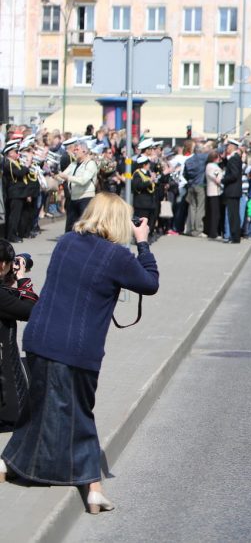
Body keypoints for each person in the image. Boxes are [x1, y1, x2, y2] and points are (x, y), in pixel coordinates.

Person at [0, 193, 158, 512]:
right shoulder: (118, 256)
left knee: (39, 405)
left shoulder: (67, 242)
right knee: (79, 413)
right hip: (77, 347)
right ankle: (93, 486)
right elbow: (150, 283)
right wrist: (142, 243)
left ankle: (7, 465)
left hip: (40, 337)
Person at [0, 242, 39, 433]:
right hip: (5, 387)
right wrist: (22, 279)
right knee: (20, 417)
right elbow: (33, 311)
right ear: (2, 265)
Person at [57, 139, 98, 233]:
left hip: (85, 198)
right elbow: (62, 176)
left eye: (77, 150)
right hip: (74, 197)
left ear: (84, 151)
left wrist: (67, 177)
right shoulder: (74, 164)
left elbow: (83, 180)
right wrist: (55, 175)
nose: (74, 152)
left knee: (84, 227)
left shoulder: (90, 164)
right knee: (70, 227)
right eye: (74, 150)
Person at [220, 139, 243, 244]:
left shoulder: (234, 159)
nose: (227, 148)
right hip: (234, 191)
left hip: (232, 190)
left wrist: (223, 180)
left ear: (233, 147)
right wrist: (224, 158)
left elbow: (233, 175)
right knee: (233, 214)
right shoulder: (234, 158)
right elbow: (228, 166)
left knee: (233, 215)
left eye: (228, 146)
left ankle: (234, 237)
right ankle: (234, 236)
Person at [205, 150, 224, 240]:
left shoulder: (210, 166)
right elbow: (217, 178)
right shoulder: (212, 167)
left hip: (213, 191)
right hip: (214, 191)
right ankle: (213, 233)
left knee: (214, 213)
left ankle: (213, 231)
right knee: (214, 214)